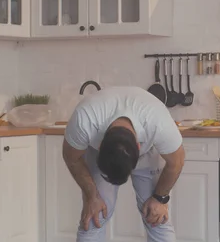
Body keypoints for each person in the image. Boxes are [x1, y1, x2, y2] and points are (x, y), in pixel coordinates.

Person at [62, 86, 186, 242]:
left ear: (139, 147)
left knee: (157, 217)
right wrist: (91, 195)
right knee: (94, 216)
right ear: (100, 146)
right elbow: (71, 157)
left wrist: (160, 198)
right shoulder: (84, 119)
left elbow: (177, 161)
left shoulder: (158, 122)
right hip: (107, 145)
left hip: (148, 151)